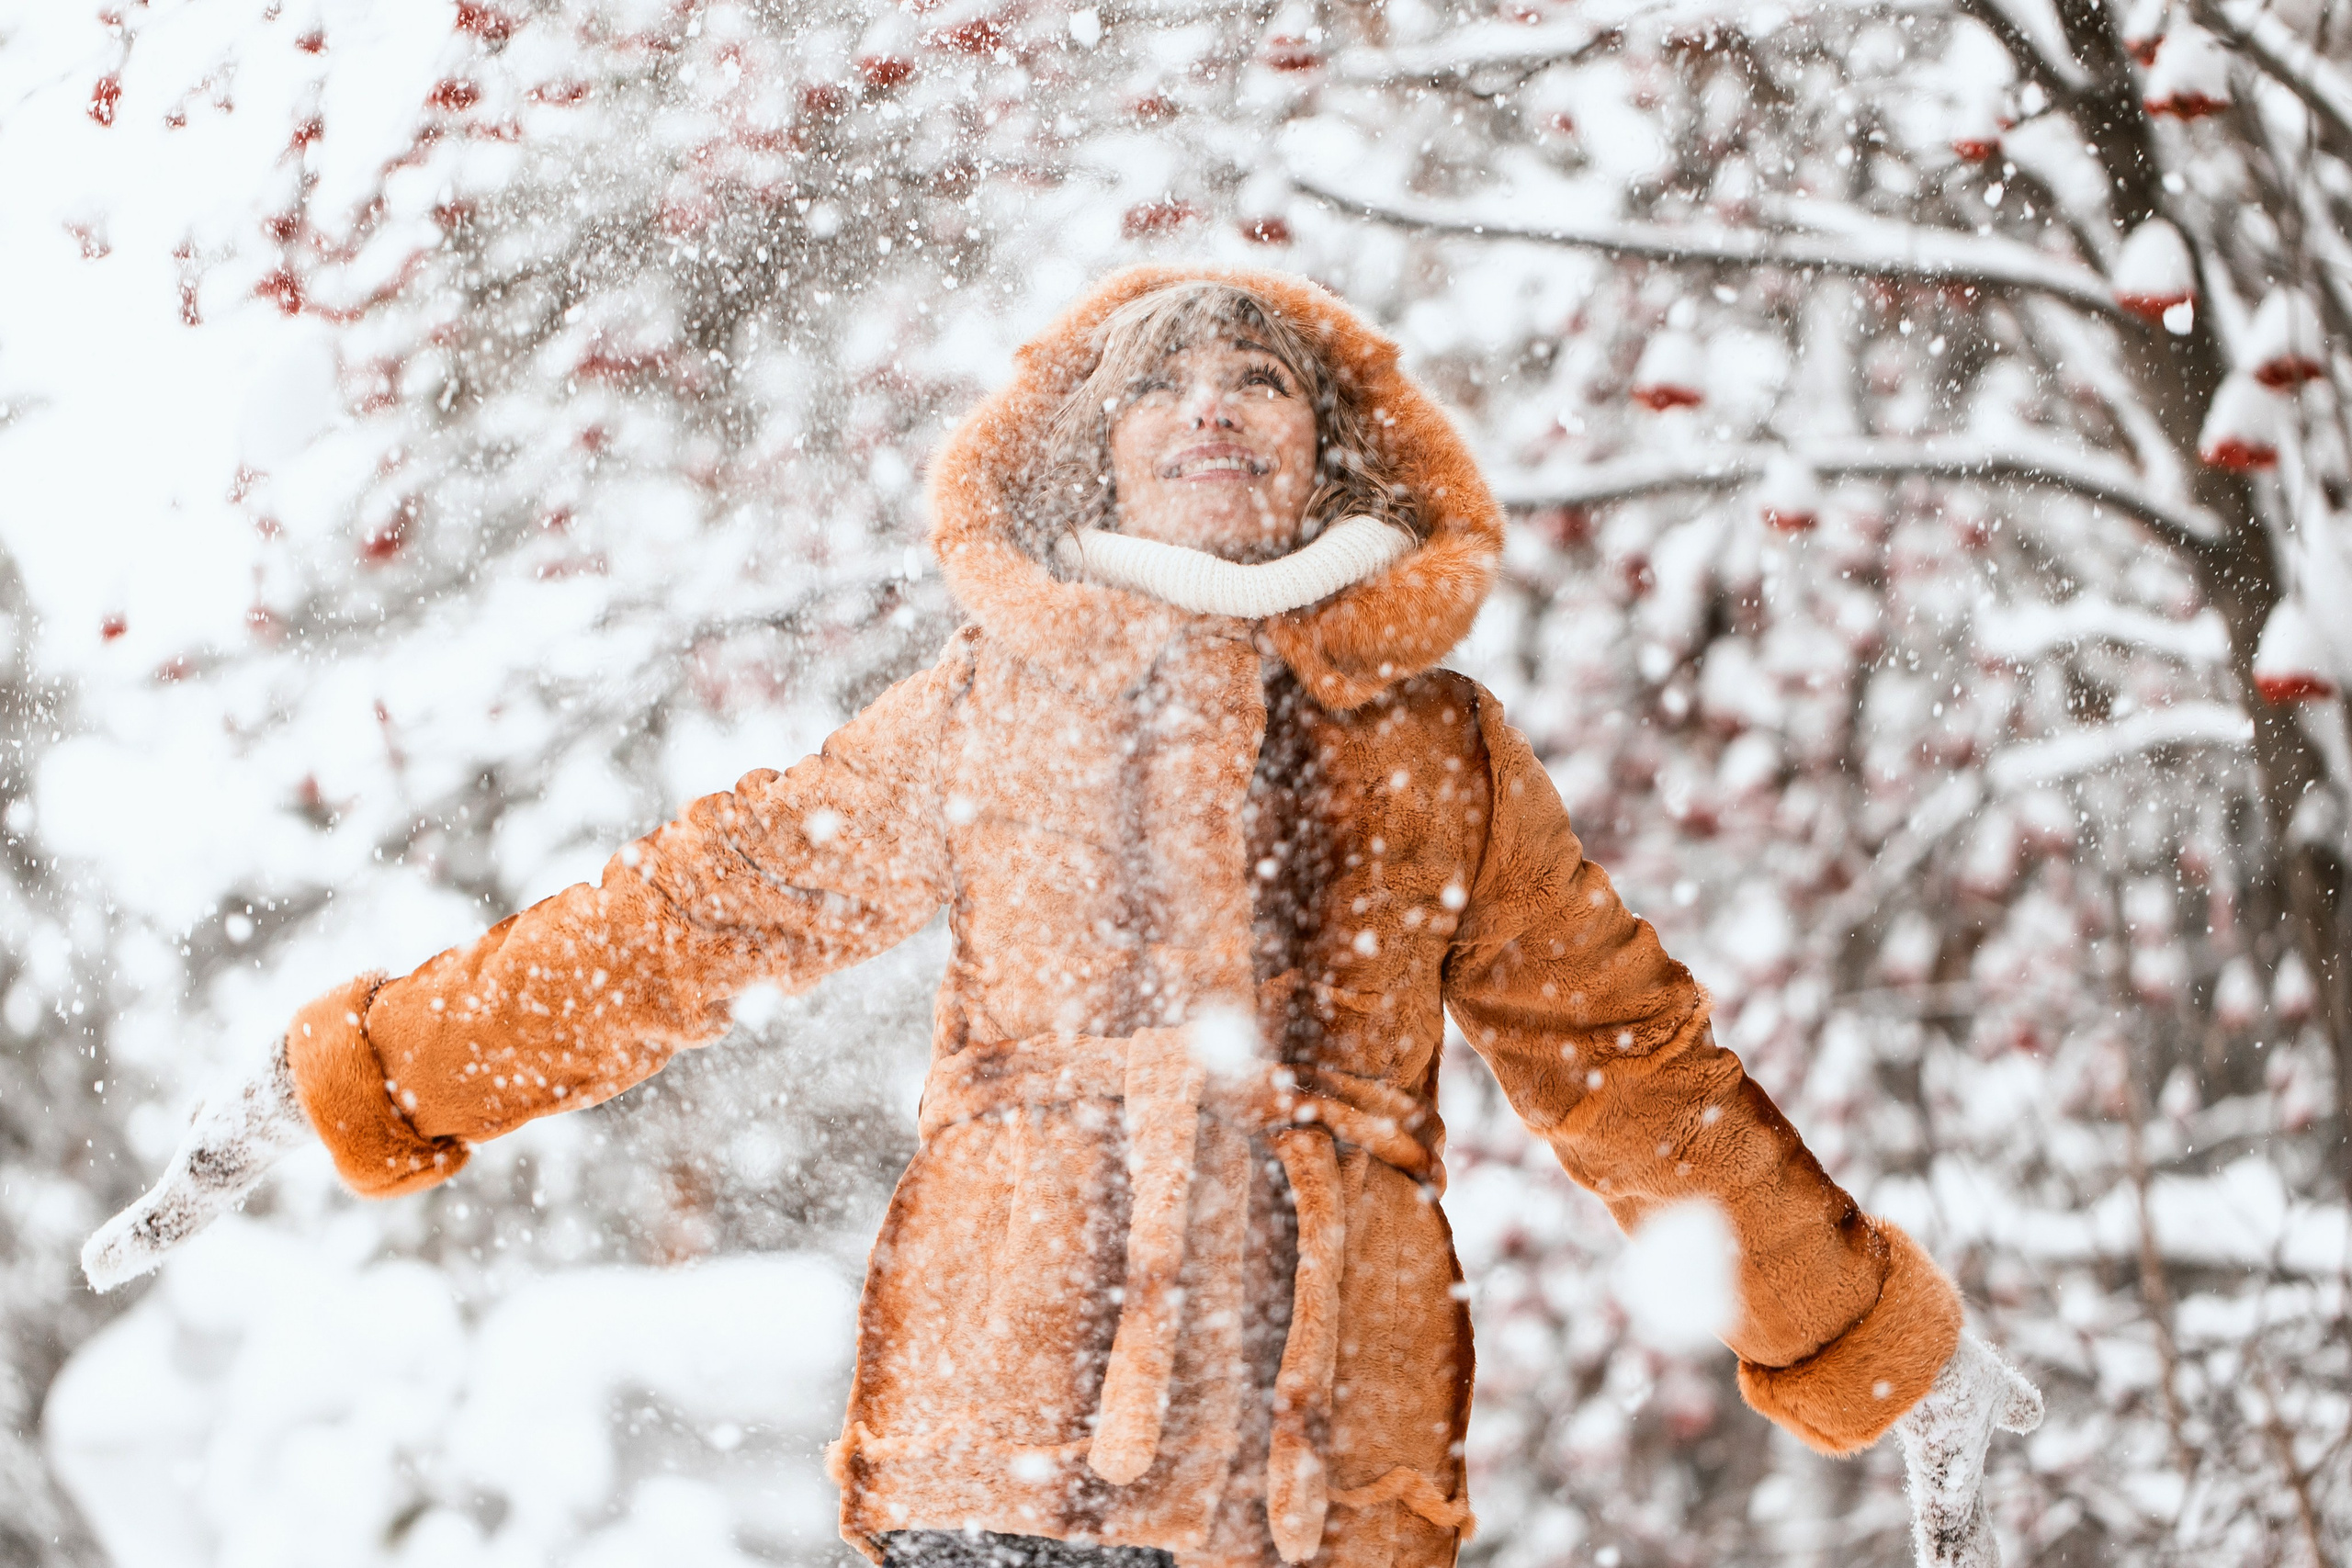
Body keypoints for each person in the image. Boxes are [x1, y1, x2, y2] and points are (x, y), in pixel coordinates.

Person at [85, 267, 2041, 1568]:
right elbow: (691, 921)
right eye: (1159, 384)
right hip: (996, 1443)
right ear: (1093, 450)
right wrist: (363, 1072)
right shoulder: (991, 707)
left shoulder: (1439, 746)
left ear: (1327, 455)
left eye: (1258, 381)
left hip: (1323, 1482)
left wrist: (1880, 1341)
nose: (1211, 410)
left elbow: (1632, 1074)